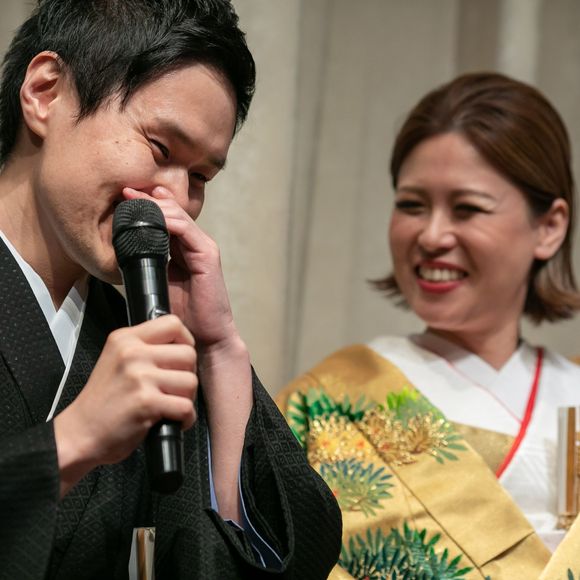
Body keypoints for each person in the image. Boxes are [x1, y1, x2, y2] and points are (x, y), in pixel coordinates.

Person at [0, 1, 342, 579]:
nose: (178, 199)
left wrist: (218, 350)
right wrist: (74, 441)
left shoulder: (139, 337)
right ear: (45, 92)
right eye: (160, 149)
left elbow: (288, 557)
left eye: (201, 176)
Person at [277, 72, 580, 579]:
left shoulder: (572, 389)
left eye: (468, 209)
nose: (432, 235)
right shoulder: (329, 398)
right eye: (411, 205)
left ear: (549, 227)